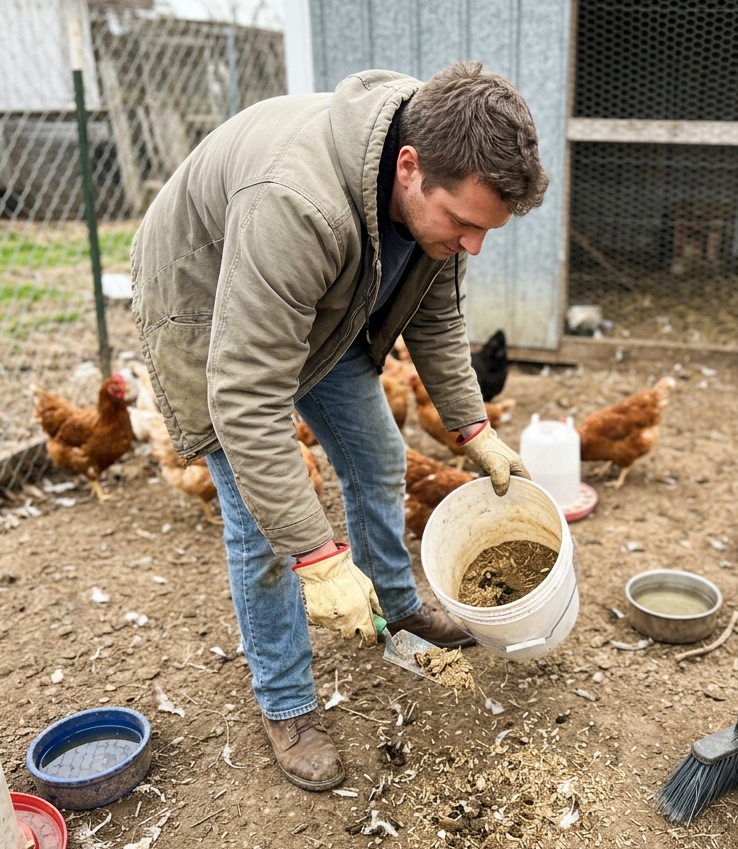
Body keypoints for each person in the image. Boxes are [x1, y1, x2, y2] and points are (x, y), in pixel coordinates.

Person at [131, 63, 545, 793]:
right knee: (263, 528)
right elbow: (248, 392)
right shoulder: (297, 203)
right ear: (410, 168)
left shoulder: (438, 170)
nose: (474, 245)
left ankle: (395, 608)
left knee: (379, 455)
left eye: (486, 229)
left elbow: (436, 315)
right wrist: (316, 557)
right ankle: (286, 703)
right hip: (208, 307)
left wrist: (471, 427)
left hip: (318, 301)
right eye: (465, 224)